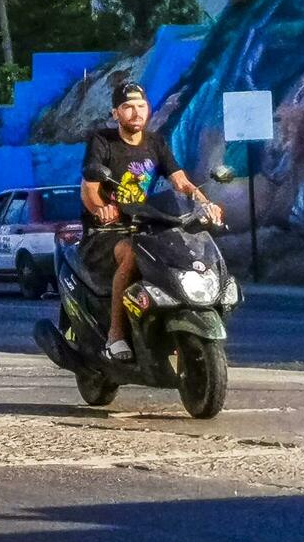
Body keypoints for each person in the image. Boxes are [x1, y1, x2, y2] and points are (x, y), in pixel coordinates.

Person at [82, 83, 222, 361]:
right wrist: (101, 209)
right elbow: (89, 187)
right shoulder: (102, 141)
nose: (136, 112)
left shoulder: (155, 142)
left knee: (182, 252)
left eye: (141, 106)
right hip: (107, 230)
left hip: (145, 226)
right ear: (116, 113)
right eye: (128, 107)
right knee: (132, 257)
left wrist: (204, 202)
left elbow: (179, 181)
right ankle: (116, 335)